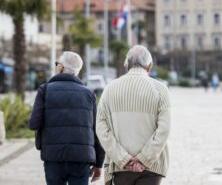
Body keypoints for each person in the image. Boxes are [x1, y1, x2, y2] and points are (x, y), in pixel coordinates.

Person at [96, 45, 171, 185]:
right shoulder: (161, 89)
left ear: (126, 64)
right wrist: (144, 158)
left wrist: (123, 159)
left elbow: (101, 128)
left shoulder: (109, 89)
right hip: (152, 167)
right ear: (149, 65)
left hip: (120, 167)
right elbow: (164, 130)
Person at [28, 51, 105, 185]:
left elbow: (33, 124)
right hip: (81, 158)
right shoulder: (89, 94)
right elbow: (97, 130)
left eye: (57, 63)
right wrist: (99, 164)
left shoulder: (44, 90)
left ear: (61, 67)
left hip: (53, 157)